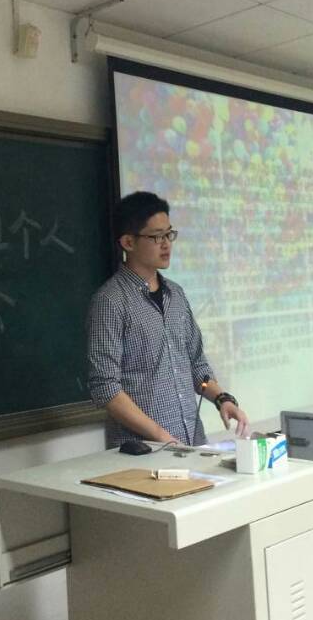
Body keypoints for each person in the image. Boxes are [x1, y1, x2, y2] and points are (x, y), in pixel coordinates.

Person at [87, 191, 250, 448]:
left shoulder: (176, 294)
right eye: (156, 237)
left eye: (169, 235)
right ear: (128, 242)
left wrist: (222, 399)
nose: (166, 245)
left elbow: (197, 365)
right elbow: (105, 387)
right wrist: (162, 437)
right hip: (143, 450)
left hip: (191, 443)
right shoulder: (110, 301)